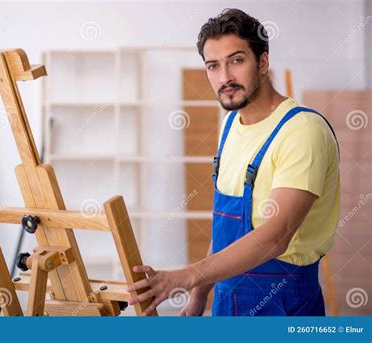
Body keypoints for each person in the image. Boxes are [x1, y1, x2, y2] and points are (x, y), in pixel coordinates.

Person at [127, 8, 340, 316]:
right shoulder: (230, 126)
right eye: (213, 66)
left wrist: (187, 277)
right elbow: (231, 229)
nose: (224, 77)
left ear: (263, 62)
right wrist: (200, 292)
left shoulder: (302, 131)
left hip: (283, 305)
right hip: (227, 301)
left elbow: (276, 238)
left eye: (236, 61)